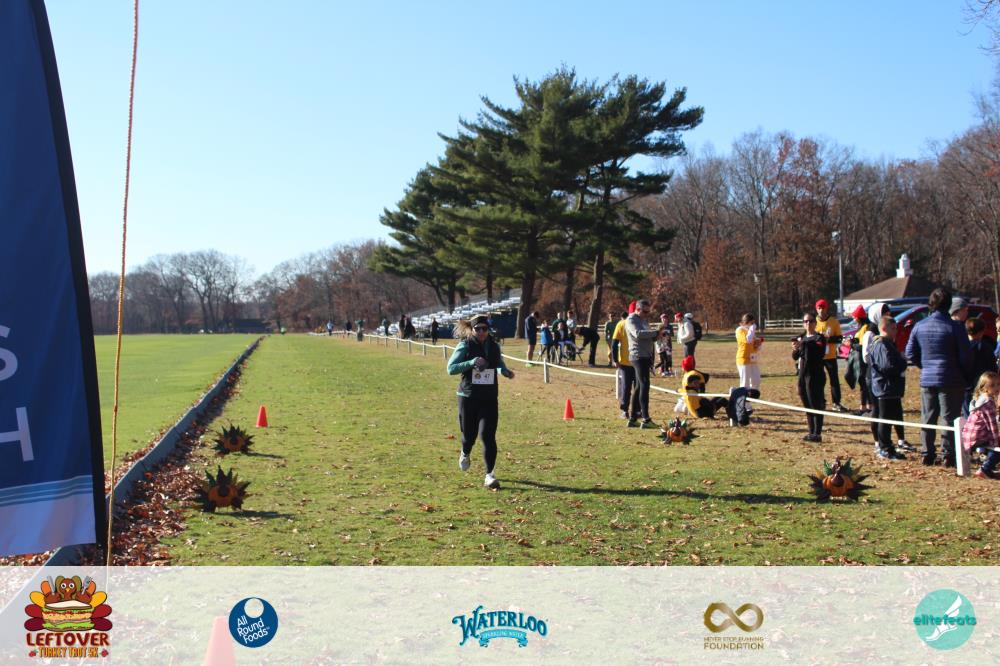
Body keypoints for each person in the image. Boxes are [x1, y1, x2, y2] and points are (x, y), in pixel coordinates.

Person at [905, 288, 973, 467]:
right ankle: (948, 454)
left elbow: (910, 353)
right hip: (951, 378)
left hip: (928, 378)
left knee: (928, 417)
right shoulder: (955, 327)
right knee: (949, 418)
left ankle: (927, 453)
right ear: (949, 305)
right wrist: (964, 373)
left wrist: (925, 366)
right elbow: (966, 356)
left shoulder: (919, 325)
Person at [447, 315, 515, 490]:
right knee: (469, 436)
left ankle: (489, 475)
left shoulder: (494, 346)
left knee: (487, 436)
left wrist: (504, 371)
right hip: (468, 397)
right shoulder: (465, 345)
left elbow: (498, 364)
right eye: (478, 329)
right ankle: (465, 452)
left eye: (485, 328)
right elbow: (451, 369)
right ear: (472, 330)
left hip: (489, 397)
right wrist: (471, 362)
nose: (482, 332)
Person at [867, 315, 907, 460]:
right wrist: (902, 362)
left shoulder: (888, 344)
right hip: (885, 388)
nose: (896, 331)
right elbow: (887, 366)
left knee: (890, 418)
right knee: (885, 419)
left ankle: (889, 447)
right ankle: (884, 449)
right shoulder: (881, 345)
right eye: (893, 328)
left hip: (890, 388)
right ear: (884, 328)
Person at [624, 299, 665, 429]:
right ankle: (646, 419)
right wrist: (655, 333)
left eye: (648, 312)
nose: (647, 314)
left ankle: (632, 419)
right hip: (638, 356)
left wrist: (658, 335)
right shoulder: (631, 320)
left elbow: (648, 337)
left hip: (646, 356)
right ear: (638, 309)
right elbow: (638, 334)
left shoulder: (644, 321)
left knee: (638, 387)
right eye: (645, 311)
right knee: (644, 385)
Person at [793, 312, 828, 442]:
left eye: (811, 321)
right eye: (805, 321)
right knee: (806, 404)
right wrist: (795, 348)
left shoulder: (819, 338)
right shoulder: (801, 337)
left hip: (815, 375)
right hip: (802, 374)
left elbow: (819, 353)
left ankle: (817, 434)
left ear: (815, 323)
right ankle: (811, 432)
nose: (808, 323)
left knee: (816, 404)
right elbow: (795, 356)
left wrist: (803, 344)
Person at [963, 371, 1000, 479]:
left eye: (998, 384)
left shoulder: (981, 399)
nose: (997, 387)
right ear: (984, 387)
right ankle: (985, 469)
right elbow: (992, 425)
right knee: (997, 446)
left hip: (970, 435)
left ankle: (987, 467)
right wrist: (995, 442)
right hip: (978, 437)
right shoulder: (988, 402)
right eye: (992, 385)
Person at [814, 299, 846, 412]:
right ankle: (820, 402)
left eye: (823, 308)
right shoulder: (813, 322)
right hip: (818, 356)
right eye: (819, 308)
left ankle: (836, 403)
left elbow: (840, 338)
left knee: (834, 380)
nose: (821, 310)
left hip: (830, 356)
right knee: (819, 380)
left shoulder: (834, 322)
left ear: (826, 308)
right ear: (816, 309)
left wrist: (829, 339)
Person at [965, 317, 998, 416]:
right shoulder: (986, 347)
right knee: (983, 412)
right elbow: (993, 367)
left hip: (966, 385)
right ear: (981, 332)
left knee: (968, 413)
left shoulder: (962, 347)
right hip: (983, 385)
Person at [846, 305, 873, 415]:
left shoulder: (866, 328)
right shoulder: (862, 327)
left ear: (859, 317)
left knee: (863, 383)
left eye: (854, 317)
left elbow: (862, 347)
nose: (853, 319)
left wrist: (851, 344)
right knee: (864, 383)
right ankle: (868, 406)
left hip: (863, 359)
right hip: (860, 359)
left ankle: (864, 407)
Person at [612, 306, 635, 420]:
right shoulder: (642, 323)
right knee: (637, 388)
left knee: (626, 388)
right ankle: (635, 410)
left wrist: (615, 360)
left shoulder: (621, 324)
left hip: (627, 362)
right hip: (636, 361)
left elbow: (614, 343)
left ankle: (626, 410)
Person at [735, 313, 763, 390]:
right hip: (743, 358)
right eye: (752, 323)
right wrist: (752, 329)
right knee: (745, 383)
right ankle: (742, 396)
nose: (753, 325)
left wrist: (758, 345)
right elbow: (747, 340)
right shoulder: (740, 330)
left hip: (752, 359)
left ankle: (752, 394)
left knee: (756, 380)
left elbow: (754, 347)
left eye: (754, 323)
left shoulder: (751, 331)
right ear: (746, 322)